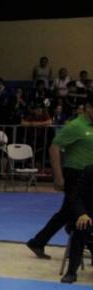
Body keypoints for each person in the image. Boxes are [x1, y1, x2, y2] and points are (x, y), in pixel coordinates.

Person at [27, 95, 93, 259]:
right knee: (74, 211)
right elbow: (54, 148)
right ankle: (79, 244)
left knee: (68, 212)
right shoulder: (75, 126)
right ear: (88, 108)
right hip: (75, 174)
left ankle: (40, 241)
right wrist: (58, 176)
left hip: (89, 176)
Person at [61, 165, 93, 283]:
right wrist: (82, 214)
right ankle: (71, 271)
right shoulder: (90, 172)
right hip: (87, 216)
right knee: (82, 227)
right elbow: (75, 197)